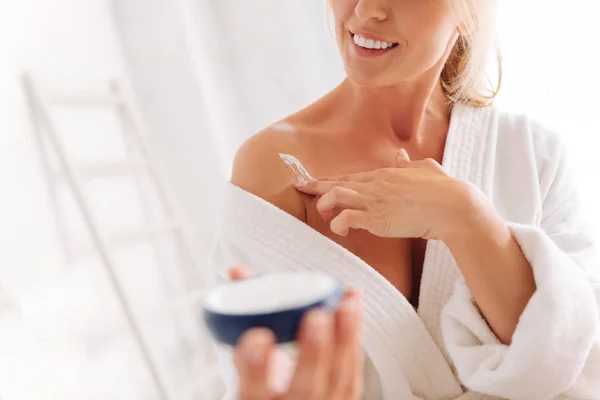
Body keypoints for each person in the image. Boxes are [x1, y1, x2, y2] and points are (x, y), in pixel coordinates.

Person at [210, 0, 600, 399]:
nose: (366, 10)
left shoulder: (533, 157)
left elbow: (584, 365)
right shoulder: (273, 168)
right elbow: (260, 380)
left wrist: (468, 219)